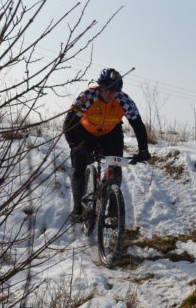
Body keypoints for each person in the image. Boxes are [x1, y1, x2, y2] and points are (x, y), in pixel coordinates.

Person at [63, 68, 151, 222]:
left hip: (110, 134)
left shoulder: (124, 100)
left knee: (115, 166)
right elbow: (69, 124)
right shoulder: (88, 96)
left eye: (116, 91)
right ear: (101, 87)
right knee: (78, 168)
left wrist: (143, 149)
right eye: (109, 90)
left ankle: (112, 209)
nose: (112, 95)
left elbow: (138, 125)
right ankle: (77, 209)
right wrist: (76, 146)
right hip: (84, 133)